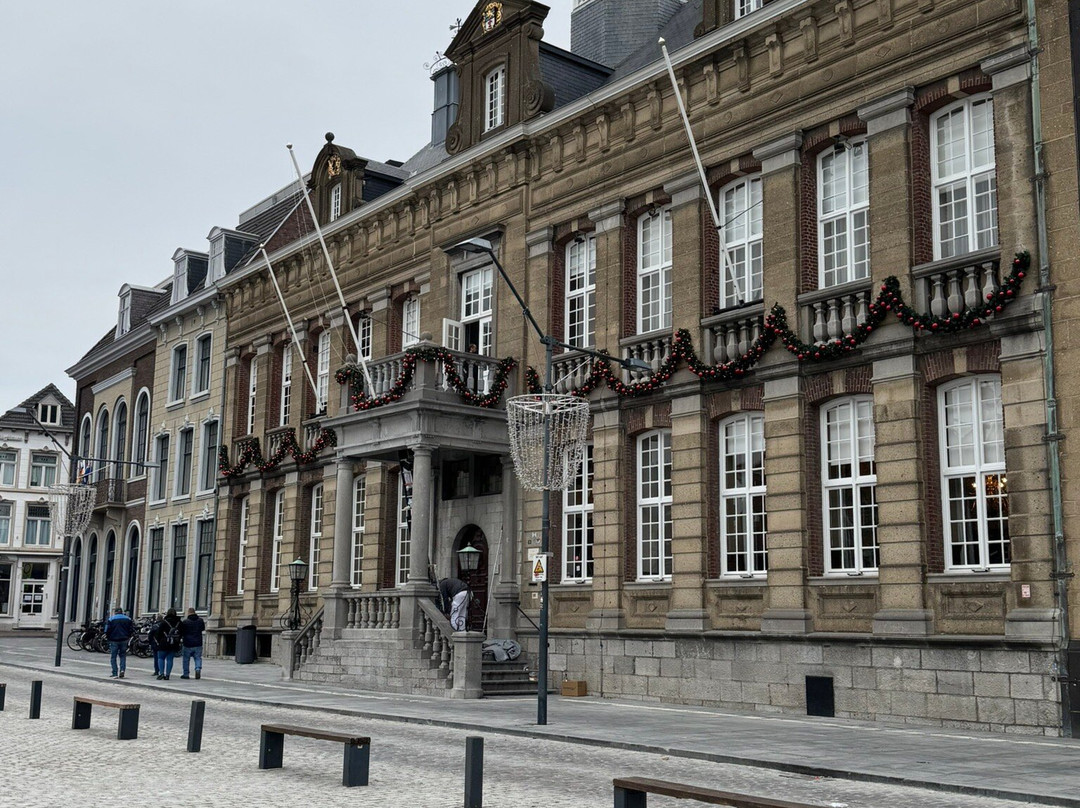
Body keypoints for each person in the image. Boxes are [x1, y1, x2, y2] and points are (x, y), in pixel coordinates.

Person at [152, 608, 183, 680]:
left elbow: (158, 633)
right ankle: (168, 675)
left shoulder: (164, 622)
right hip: (174, 643)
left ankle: (161, 673)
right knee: (170, 659)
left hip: (163, 643)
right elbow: (181, 633)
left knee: (161, 658)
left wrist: (158, 641)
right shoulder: (179, 623)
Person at [104, 607, 134, 679]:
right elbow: (131, 629)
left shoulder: (111, 619)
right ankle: (122, 670)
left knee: (113, 657)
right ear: (122, 612)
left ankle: (115, 673)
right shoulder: (128, 619)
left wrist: (108, 637)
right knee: (123, 655)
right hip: (124, 639)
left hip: (114, 639)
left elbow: (107, 630)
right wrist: (128, 636)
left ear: (115, 612)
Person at [180, 607, 206, 680]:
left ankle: (186, 674)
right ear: (195, 612)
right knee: (198, 657)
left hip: (187, 643)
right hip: (198, 642)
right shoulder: (200, 620)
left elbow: (182, 631)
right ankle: (198, 669)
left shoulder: (185, 622)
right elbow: (203, 628)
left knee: (186, 659)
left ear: (188, 613)